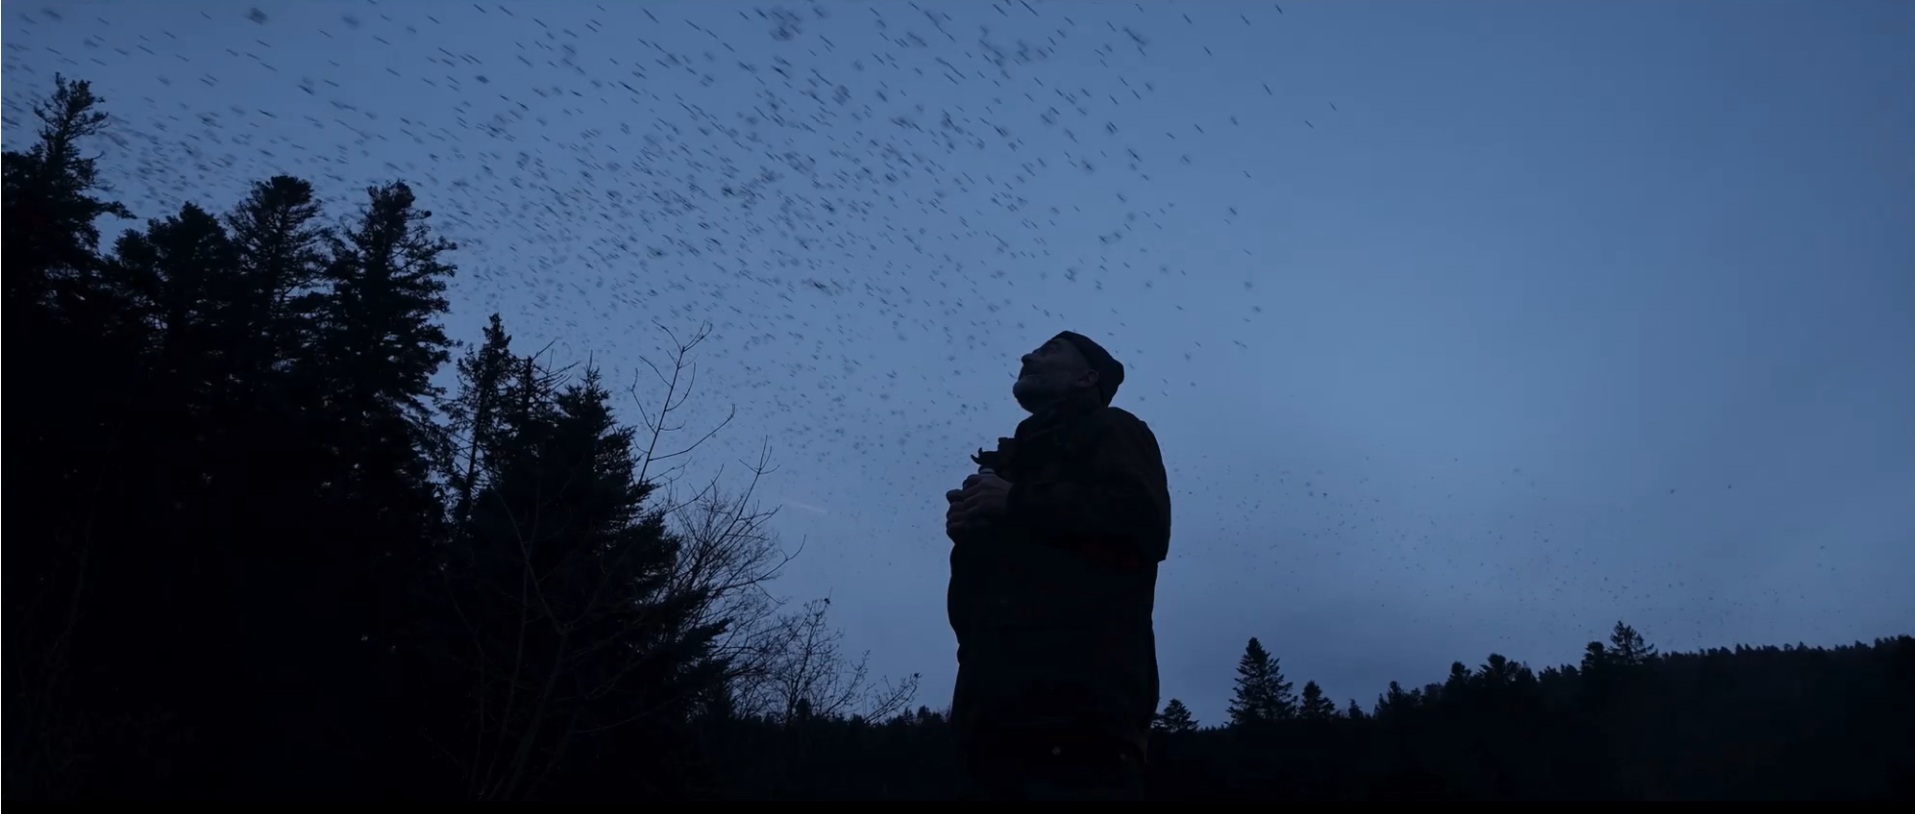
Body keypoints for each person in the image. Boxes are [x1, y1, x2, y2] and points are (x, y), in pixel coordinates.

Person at [944, 330, 1172, 801]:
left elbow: (1143, 522)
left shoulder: (1114, 429)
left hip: (1080, 717)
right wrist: (968, 537)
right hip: (987, 719)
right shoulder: (1014, 463)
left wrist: (1015, 502)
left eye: (1049, 350)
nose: (1027, 355)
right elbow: (977, 602)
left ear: (1087, 378)